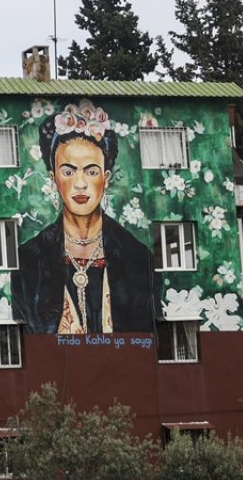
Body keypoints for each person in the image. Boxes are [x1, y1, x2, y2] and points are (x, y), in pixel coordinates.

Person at [12, 100, 154, 334]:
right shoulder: (28, 261)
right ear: (53, 177)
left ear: (106, 178)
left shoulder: (136, 258)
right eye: (68, 171)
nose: (80, 184)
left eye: (91, 171)